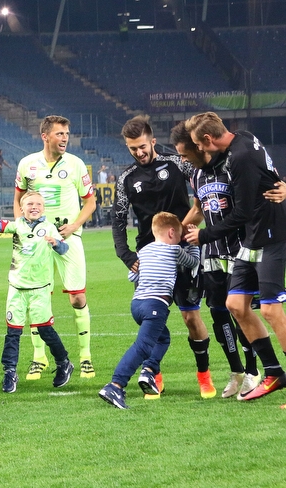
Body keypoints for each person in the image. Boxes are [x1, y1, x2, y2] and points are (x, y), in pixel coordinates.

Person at [185, 112, 286, 402]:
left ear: (208, 139)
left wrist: (204, 235)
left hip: (270, 232)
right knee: (236, 304)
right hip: (253, 235)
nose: (199, 150)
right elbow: (269, 175)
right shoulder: (244, 137)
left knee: (270, 309)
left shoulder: (239, 157)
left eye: (198, 144)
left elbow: (240, 212)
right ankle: (274, 372)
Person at [112, 116, 214, 399]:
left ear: (153, 141)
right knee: (150, 322)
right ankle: (153, 377)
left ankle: (204, 376)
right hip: (149, 257)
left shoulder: (178, 164)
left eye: (142, 146)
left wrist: (194, 225)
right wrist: (125, 254)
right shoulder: (126, 179)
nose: (139, 153)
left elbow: (205, 187)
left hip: (182, 251)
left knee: (191, 317)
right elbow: (118, 220)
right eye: (133, 149)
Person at [171, 121, 262, 398]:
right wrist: (174, 234)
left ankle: (252, 371)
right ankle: (236, 371)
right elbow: (199, 209)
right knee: (219, 313)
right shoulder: (196, 175)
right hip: (210, 254)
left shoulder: (231, 166)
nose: (185, 160)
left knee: (240, 312)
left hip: (238, 250)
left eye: (187, 154)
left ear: (200, 146)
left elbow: (246, 207)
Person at [0, 191, 75, 393]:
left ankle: (63, 363)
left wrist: (56, 243)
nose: (34, 207)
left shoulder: (49, 228)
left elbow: (64, 249)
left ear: (43, 208)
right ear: (22, 208)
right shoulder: (17, 225)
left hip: (40, 290)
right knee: (13, 332)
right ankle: (10, 372)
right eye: (30, 204)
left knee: (45, 331)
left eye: (38, 204)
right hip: (16, 289)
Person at [14, 115, 96, 380]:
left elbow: (91, 202)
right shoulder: (27, 164)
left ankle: (85, 356)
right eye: (60, 133)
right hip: (37, 243)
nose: (65, 138)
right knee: (37, 300)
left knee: (77, 297)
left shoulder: (76, 164)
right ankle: (39, 357)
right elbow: (18, 199)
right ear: (45, 136)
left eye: (67, 133)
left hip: (68, 239)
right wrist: (22, 229)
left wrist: (73, 227)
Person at [99, 212, 200, 409]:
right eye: (178, 236)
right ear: (171, 232)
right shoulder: (175, 251)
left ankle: (148, 371)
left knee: (163, 338)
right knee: (143, 346)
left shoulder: (143, 252)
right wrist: (194, 245)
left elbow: (132, 277)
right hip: (156, 304)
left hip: (137, 304)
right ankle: (115, 385)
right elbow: (193, 263)